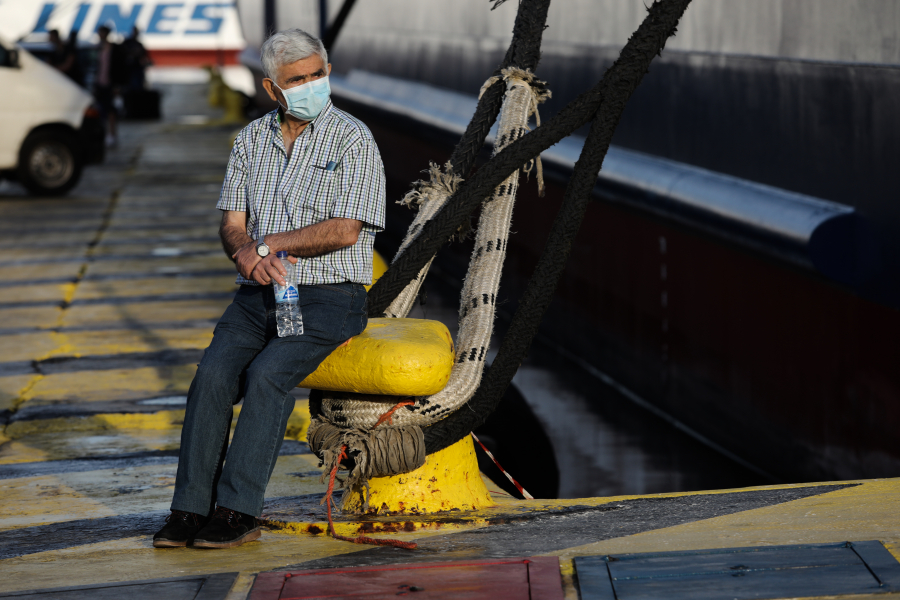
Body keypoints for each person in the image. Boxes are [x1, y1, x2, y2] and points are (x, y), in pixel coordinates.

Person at [152, 28, 386, 550]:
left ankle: (237, 510)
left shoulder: (353, 139)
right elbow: (232, 223)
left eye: (317, 75)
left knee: (266, 376)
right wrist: (243, 252)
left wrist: (271, 244)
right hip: (257, 295)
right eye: (297, 80)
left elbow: (347, 230)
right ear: (272, 89)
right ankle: (189, 509)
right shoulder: (253, 140)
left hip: (331, 294)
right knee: (212, 376)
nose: (311, 85)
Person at [92, 25, 126, 147]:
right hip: (98, 84)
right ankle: (103, 134)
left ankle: (112, 134)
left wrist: (117, 85)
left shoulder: (114, 49)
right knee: (100, 111)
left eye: (102, 33)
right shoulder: (96, 49)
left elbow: (119, 68)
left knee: (111, 110)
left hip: (110, 84)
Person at [121, 26, 150, 91]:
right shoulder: (127, 43)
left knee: (137, 87)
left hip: (137, 70)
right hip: (127, 71)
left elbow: (144, 57)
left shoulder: (139, 45)